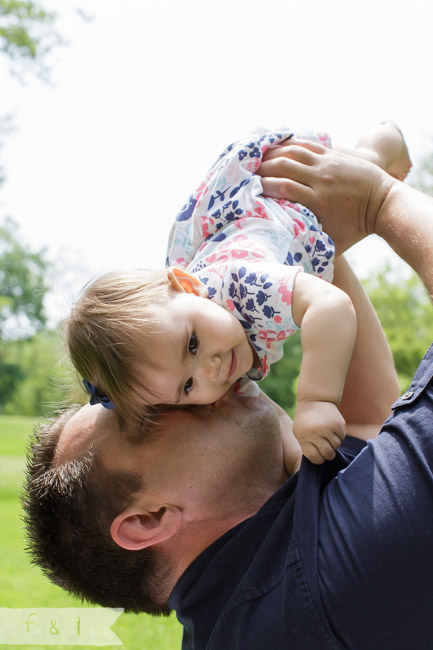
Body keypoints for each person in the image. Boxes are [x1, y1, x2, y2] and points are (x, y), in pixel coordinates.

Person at [24, 148, 433, 649]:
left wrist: (310, 244)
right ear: (148, 519)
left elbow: (368, 424)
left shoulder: (248, 605)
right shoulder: (340, 571)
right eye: (159, 410)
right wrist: (381, 200)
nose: (197, 392)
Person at [66, 122, 410, 468]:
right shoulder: (216, 366)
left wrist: (316, 401)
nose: (211, 368)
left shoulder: (242, 286)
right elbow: (275, 425)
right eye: (187, 385)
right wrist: (299, 458)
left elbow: (330, 306)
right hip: (297, 245)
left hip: (288, 197)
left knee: (368, 162)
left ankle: (386, 138)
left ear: (190, 287)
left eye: (192, 344)